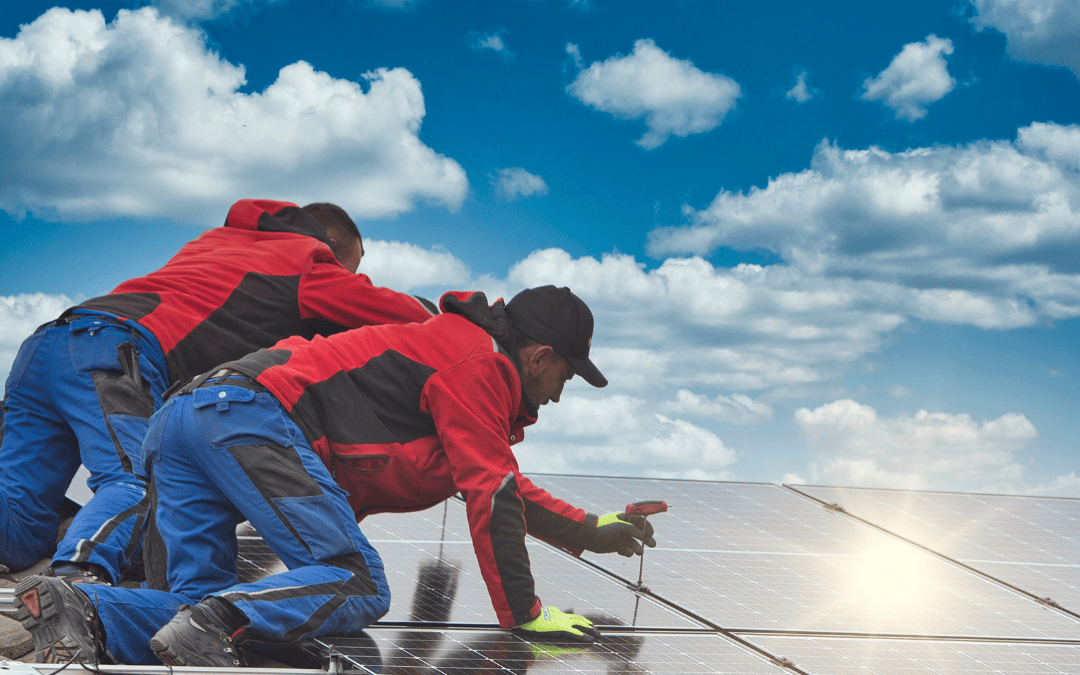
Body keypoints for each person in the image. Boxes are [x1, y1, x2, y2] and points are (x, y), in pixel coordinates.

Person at [13, 285, 658, 666]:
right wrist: (525, 614)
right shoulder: (477, 364)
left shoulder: (455, 357)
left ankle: (82, 608)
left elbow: (496, 485)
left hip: (187, 417)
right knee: (355, 582)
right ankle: (219, 619)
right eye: (566, 376)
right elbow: (492, 491)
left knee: (192, 605)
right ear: (541, 355)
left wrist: (593, 529)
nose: (561, 391)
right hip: (247, 416)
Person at [0, 199, 436, 586]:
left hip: (45, 347)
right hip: (109, 352)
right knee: (137, 484)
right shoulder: (308, 262)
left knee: (22, 520)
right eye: (350, 270)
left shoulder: (220, 240)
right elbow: (409, 320)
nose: (347, 280)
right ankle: (77, 579)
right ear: (334, 251)